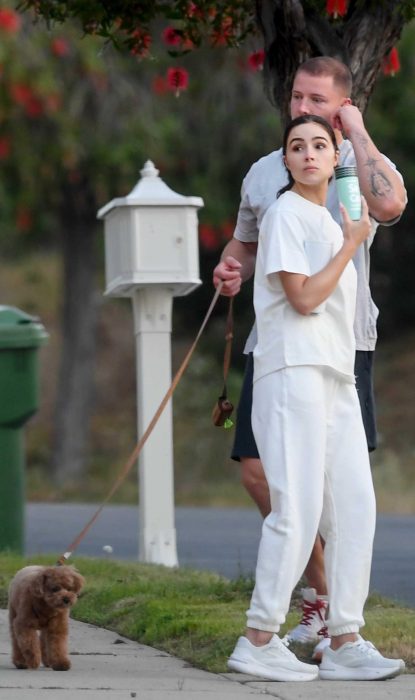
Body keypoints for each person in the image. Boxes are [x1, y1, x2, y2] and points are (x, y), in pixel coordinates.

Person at [213, 56, 406, 660]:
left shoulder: (350, 180)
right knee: (287, 499)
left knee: (352, 504)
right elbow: (289, 286)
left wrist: (357, 134)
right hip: (288, 360)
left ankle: (346, 635)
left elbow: (391, 206)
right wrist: (230, 267)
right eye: (296, 100)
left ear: (342, 110)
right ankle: (266, 632)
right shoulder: (280, 197)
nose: (301, 112)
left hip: (341, 362)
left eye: (316, 105)